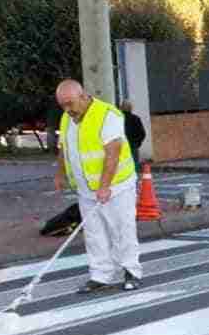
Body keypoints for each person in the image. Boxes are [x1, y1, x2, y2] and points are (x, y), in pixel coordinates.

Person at [53, 79, 143, 294]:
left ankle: (131, 271)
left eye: (70, 103)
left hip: (117, 186)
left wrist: (104, 186)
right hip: (85, 189)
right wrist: (61, 174)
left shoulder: (107, 115)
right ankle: (100, 275)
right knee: (94, 234)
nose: (67, 109)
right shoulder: (67, 118)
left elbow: (113, 153)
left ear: (83, 96)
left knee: (122, 229)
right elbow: (63, 148)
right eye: (62, 105)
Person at [120, 100, 146, 172]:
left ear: (121, 108)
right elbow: (142, 133)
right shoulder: (136, 119)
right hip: (133, 146)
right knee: (134, 165)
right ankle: (134, 181)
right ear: (131, 108)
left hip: (121, 146)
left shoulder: (118, 118)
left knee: (122, 167)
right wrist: (137, 143)